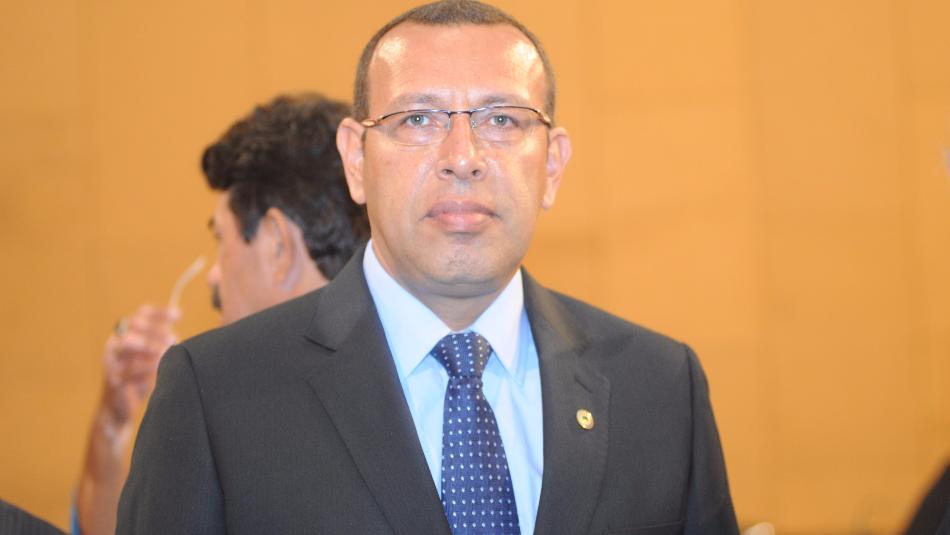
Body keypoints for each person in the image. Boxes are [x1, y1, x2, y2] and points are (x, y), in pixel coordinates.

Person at [117, 1, 738, 533]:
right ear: (356, 160)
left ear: (551, 165)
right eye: (417, 119)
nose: (462, 157)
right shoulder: (216, 394)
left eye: (502, 119)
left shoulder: (661, 389)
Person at [73, 93, 368, 535]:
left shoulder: (224, 403)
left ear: (277, 246)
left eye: (222, 241)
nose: (213, 275)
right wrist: (112, 424)